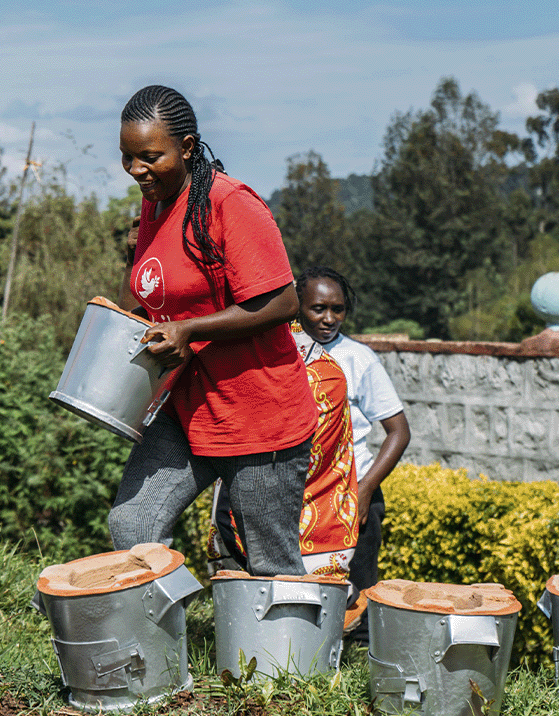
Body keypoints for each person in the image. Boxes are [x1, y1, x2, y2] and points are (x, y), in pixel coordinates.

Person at [108, 85, 318, 578]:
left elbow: (283, 301)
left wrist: (189, 329)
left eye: (150, 156)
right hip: (186, 406)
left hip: (258, 414)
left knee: (270, 564)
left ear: (186, 146)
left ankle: (294, 655)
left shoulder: (230, 204)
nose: (137, 169)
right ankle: (161, 648)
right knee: (133, 525)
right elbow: (144, 283)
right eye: (127, 157)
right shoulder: (155, 203)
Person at [296, 266, 410, 634]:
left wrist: (364, 491)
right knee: (304, 592)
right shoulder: (286, 353)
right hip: (302, 494)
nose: (329, 319)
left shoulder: (358, 359)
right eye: (317, 309)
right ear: (296, 306)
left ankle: (359, 674)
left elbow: (399, 432)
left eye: (338, 309)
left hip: (350, 497)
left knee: (357, 594)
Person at [207, 321, 359, 578]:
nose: (328, 318)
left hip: (282, 533)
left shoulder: (317, 375)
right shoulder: (324, 369)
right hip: (324, 535)